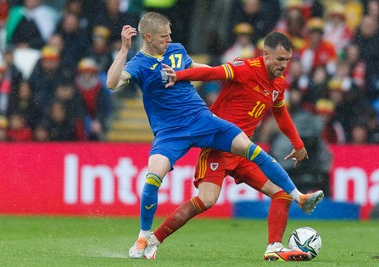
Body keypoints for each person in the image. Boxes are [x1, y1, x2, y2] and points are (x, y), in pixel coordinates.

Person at [106, 12, 323, 260]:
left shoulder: (177, 50)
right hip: (173, 133)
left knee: (262, 165)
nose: (169, 39)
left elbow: (197, 68)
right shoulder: (139, 63)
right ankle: (147, 236)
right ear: (148, 37)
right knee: (169, 185)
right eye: (164, 36)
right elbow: (113, 83)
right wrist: (124, 49)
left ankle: (283, 228)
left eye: (169, 35)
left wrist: (297, 143)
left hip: (204, 122)